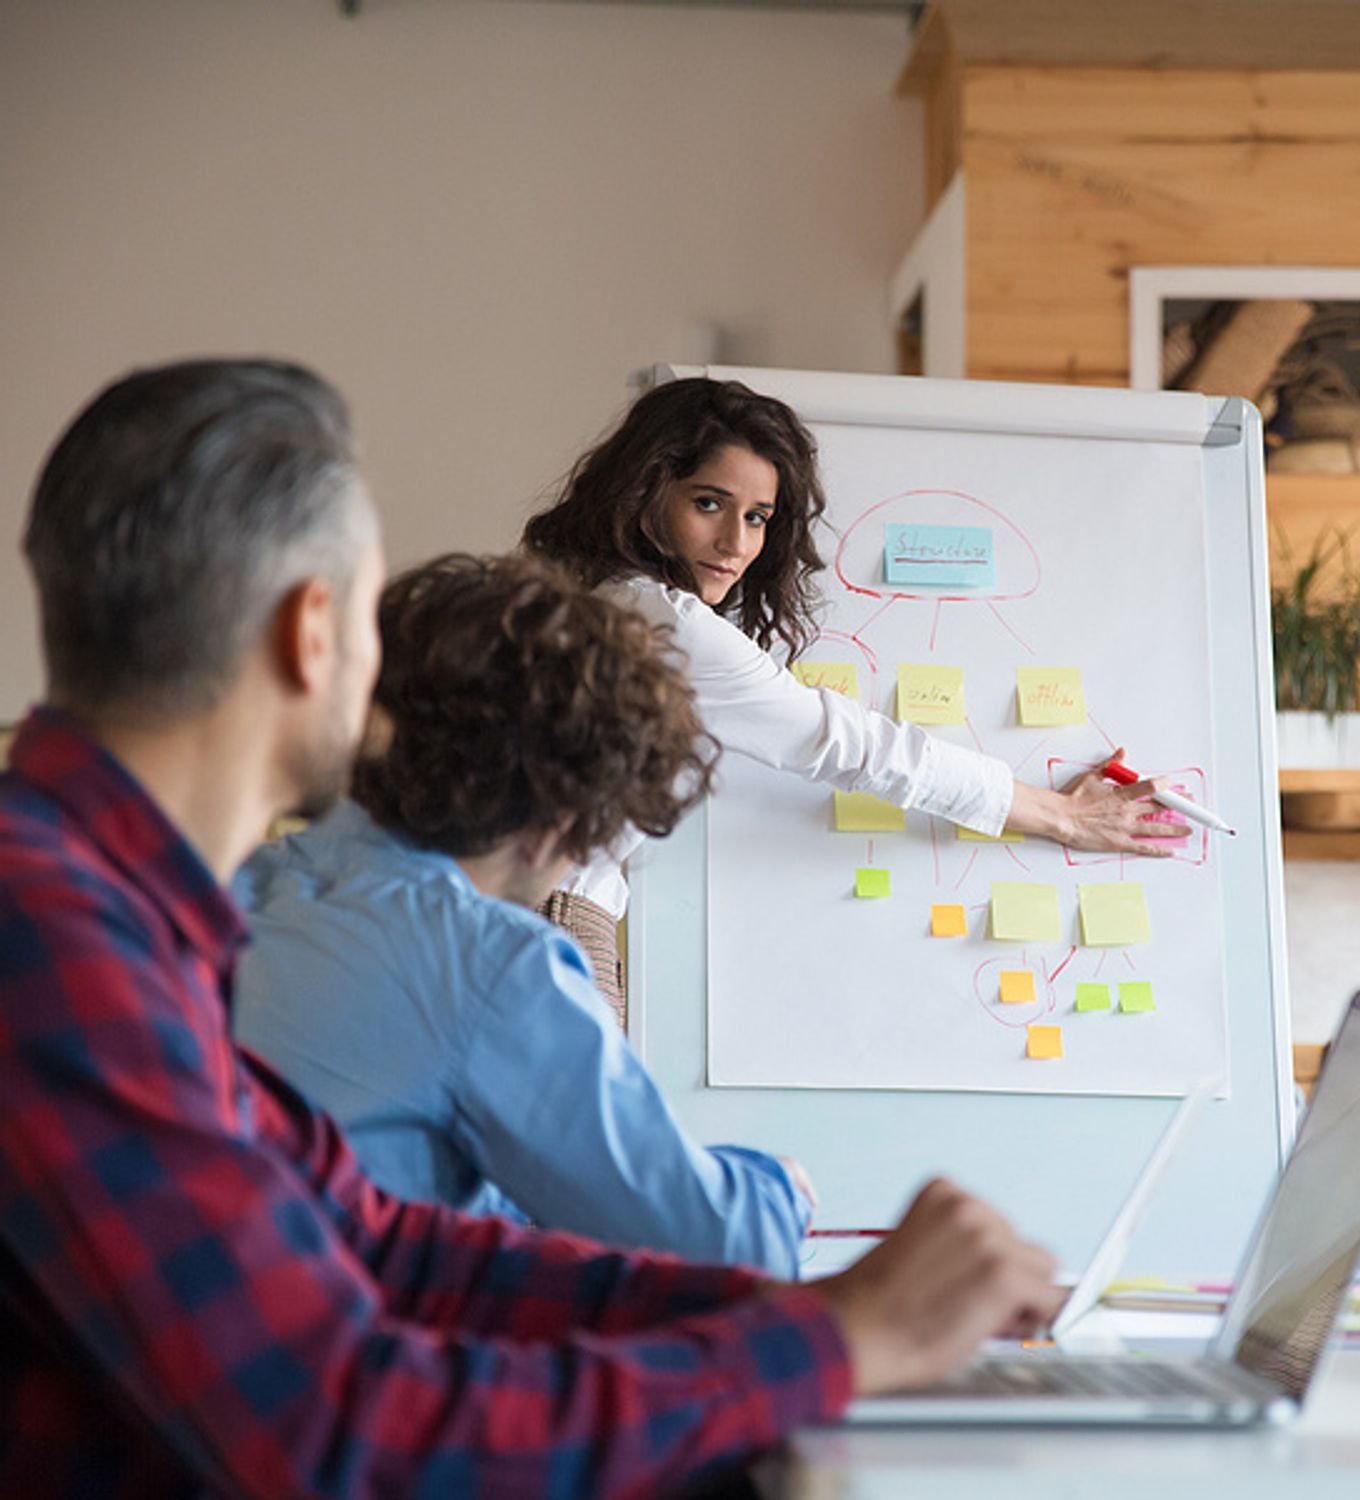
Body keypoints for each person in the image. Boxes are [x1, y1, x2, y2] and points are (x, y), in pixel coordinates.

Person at [0, 358, 1062, 1496]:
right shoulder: (56, 937)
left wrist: (813, 1311)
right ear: (316, 634)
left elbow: (377, 1241)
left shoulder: (137, 916)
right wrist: (834, 1342)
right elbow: (335, 1425)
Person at [521, 377, 1188, 1011]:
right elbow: (856, 747)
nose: (735, 542)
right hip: (551, 924)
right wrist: (1062, 816)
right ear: (645, 491)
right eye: (708, 503)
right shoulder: (665, 624)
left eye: (757, 517)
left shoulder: (575, 598)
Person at [233, 551, 816, 1275]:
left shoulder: (234, 888)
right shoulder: (491, 963)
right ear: (562, 819)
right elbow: (718, 1244)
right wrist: (780, 1189)